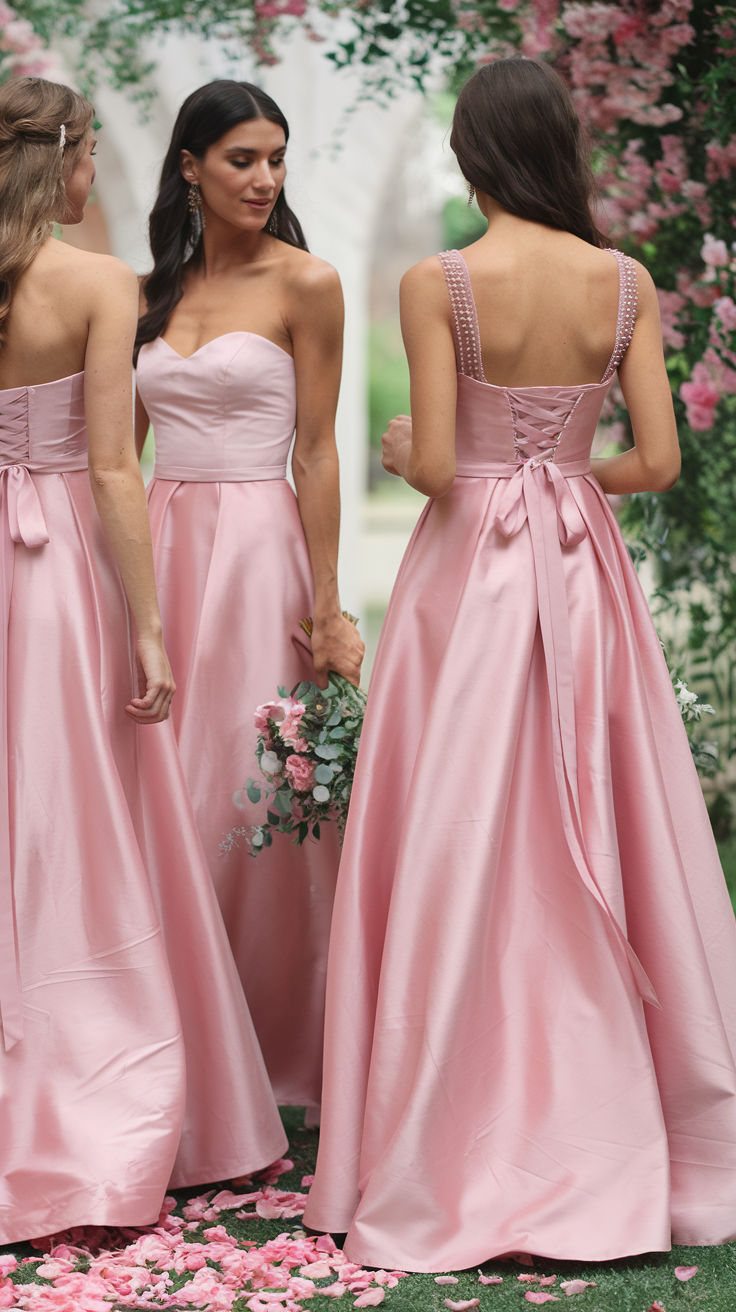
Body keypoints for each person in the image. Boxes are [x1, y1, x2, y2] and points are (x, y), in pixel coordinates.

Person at [303, 57, 736, 1271]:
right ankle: (621, 1112)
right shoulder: (626, 282)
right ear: (562, 146)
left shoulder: (438, 281)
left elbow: (441, 464)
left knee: (460, 823)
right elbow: (654, 462)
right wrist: (560, 472)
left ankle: (451, 1114)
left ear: (470, 152)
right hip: (577, 569)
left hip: (469, 584)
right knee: (597, 811)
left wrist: (401, 444)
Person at [0, 75, 286, 1245]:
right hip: (58, 567)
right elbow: (117, 468)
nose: (91, 180)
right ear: (66, 162)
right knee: (79, 811)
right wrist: (152, 622)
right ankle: (96, 1068)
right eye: (89, 160)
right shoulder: (101, 283)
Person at [135, 80, 364, 1118]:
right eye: (241, 159)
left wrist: (326, 604)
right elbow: (113, 454)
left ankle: (278, 1046)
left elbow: (316, 452)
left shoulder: (306, 282)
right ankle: (165, 1041)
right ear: (189, 165)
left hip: (256, 550)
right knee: (155, 788)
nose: (265, 178)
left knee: (245, 790)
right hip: (162, 544)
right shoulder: (151, 291)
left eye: (276, 157)